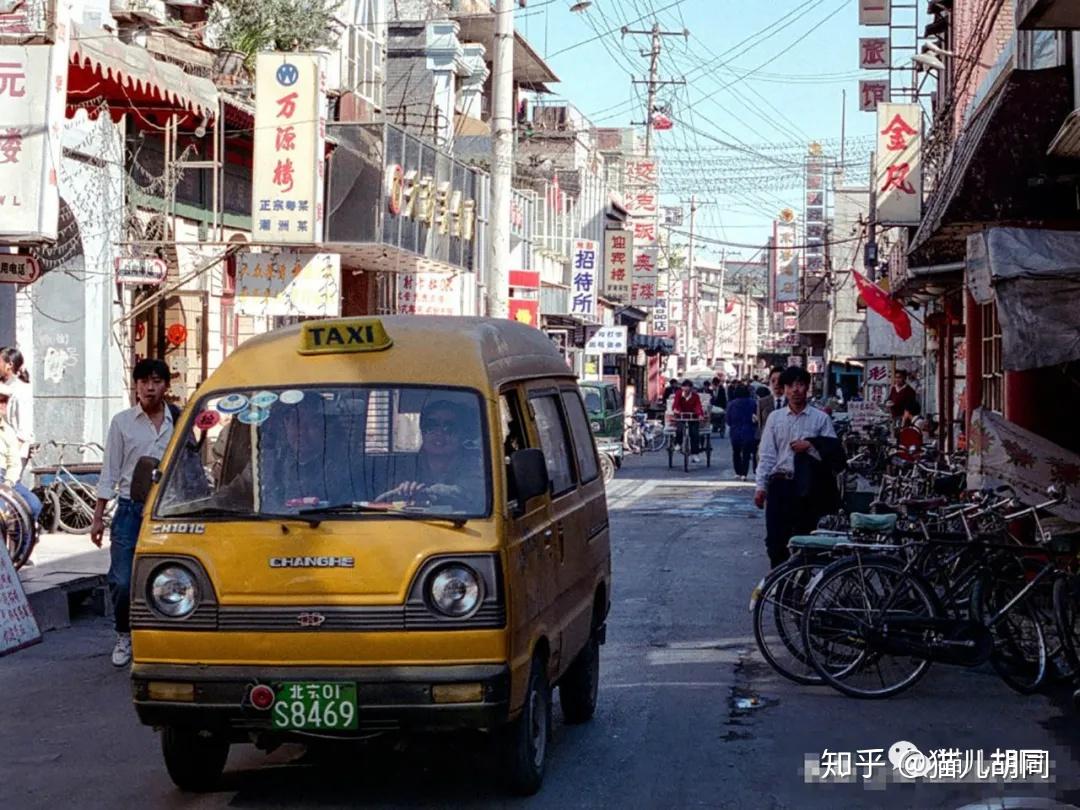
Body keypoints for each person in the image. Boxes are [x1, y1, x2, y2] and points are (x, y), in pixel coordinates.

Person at [91, 359, 175, 667]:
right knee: (123, 580)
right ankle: (124, 634)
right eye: (143, 381)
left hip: (167, 514)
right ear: (136, 385)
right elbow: (109, 472)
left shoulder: (177, 422)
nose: (149, 387)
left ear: (167, 385)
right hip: (128, 510)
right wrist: (98, 517)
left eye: (156, 381)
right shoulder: (122, 422)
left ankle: (162, 637)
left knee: (168, 579)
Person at [754, 366, 838, 568]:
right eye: (791, 385)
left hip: (808, 488)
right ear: (784, 389)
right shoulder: (775, 418)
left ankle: (799, 590)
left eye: (800, 385)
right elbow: (766, 455)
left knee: (804, 542)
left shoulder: (820, 419)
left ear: (807, 388)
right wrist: (761, 487)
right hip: (780, 485)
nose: (795, 390)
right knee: (776, 543)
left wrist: (810, 445)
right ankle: (780, 585)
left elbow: (833, 453)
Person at [376, 400, 483, 510]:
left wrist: (425, 493)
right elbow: (385, 501)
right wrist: (403, 491)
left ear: (462, 434)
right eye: (431, 426)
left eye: (449, 428)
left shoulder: (476, 463)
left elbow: (472, 496)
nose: (439, 433)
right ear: (422, 431)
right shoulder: (402, 467)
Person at [0, 382, 42, 548]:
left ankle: (20, 547)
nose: (3, 405)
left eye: (5, 401)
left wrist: (8, 483)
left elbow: (14, 463)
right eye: (0, 400)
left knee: (33, 504)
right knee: (2, 511)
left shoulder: (8, 431)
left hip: (7, 478)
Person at [0, 347, 34, 478]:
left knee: (10, 491)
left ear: (9, 365)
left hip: (13, 452)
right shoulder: (5, 387)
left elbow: (23, 431)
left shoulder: (21, 391)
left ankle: (32, 499)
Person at [725, 384, 757, 481]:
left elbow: (728, 420)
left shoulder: (731, 404)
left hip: (735, 431)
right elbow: (756, 417)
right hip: (749, 430)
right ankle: (744, 474)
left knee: (736, 452)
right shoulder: (753, 403)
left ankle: (738, 472)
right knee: (746, 453)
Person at [671, 379, 705, 463]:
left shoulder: (695, 396)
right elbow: (676, 404)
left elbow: (698, 406)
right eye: (684, 390)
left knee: (694, 433)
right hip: (681, 415)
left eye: (688, 390)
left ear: (691, 389)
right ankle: (678, 443)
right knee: (679, 429)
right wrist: (676, 410)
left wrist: (699, 415)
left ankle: (695, 454)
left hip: (693, 416)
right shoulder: (678, 394)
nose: (686, 392)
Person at [757, 366, 785, 434]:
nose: (776, 383)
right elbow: (760, 426)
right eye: (773, 381)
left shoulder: (792, 401)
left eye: (779, 380)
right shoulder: (762, 402)